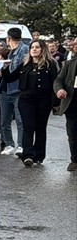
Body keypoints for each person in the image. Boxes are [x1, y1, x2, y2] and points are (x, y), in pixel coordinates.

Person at [16, 39, 60, 167]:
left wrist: (55, 102)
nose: (34, 49)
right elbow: (10, 76)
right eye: (32, 47)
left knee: (40, 128)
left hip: (43, 100)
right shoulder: (25, 64)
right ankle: (28, 155)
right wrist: (0, 70)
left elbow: (55, 83)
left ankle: (39, 155)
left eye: (37, 47)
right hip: (26, 99)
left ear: (42, 49)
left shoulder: (50, 64)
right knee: (28, 126)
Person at [0, 27, 30, 155]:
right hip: (5, 89)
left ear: (8, 38)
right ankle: (9, 144)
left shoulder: (24, 50)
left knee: (20, 119)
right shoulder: (9, 52)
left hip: (17, 90)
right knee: (4, 120)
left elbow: (16, 72)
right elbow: (3, 72)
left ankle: (21, 145)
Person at [55, 38, 77, 171]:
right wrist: (59, 90)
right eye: (74, 44)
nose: (74, 46)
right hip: (73, 102)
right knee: (73, 132)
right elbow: (58, 80)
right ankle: (75, 159)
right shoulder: (69, 64)